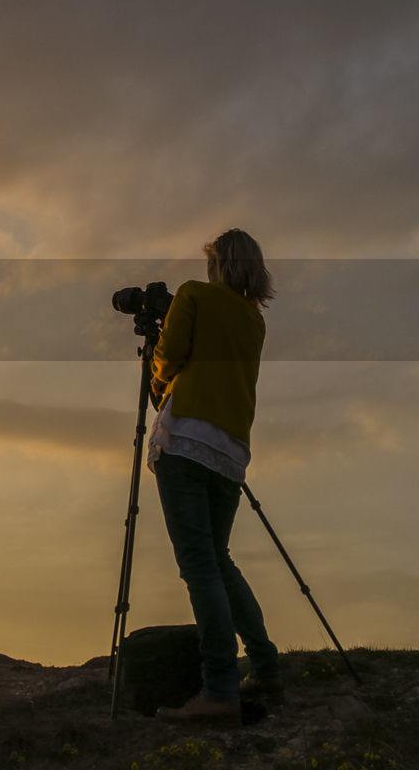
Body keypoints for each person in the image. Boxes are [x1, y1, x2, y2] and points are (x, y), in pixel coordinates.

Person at [147, 228, 283, 726]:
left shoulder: (193, 295)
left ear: (217, 265)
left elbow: (171, 354)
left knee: (199, 567)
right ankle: (265, 667)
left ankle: (221, 689)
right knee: (219, 561)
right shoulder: (254, 321)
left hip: (185, 442)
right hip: (231, 451)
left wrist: (157, 373)